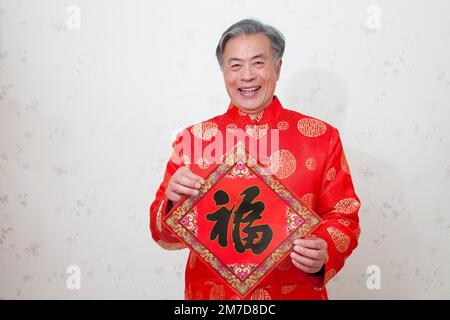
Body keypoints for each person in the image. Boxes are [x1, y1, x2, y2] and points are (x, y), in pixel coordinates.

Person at [149, 19, 361, 300]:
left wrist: (325, 250)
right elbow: (162, 234)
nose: (246, 75)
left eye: (258, 63)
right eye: (235, 65)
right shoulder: (193, 140)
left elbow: (344, 215)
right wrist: (171, 205)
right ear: (224, 72)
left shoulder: (321, 137)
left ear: (278, 68)